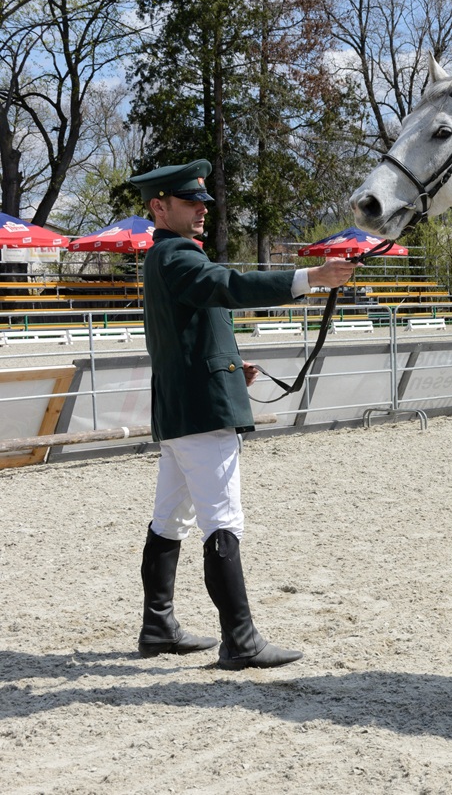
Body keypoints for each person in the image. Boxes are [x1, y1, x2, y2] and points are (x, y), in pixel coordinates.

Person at [132, 158, 358, 669]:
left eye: (202, 203)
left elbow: (192, 332)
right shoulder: (175, 256)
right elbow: (229, 286)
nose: (201, 210)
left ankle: (158, 624)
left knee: (170, 520)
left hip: (182, 410)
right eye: (191, 203)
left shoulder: (167, 257)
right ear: (159, 207)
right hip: (201, 415)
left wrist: (233, 365)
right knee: (222, 522)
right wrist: (310, 278)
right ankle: (241, 640)